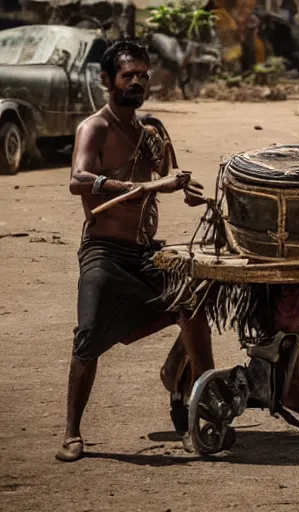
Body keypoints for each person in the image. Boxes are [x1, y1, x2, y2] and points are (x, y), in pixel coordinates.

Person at [57, 39, 215, 462]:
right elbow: (77, 179)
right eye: (128, 75)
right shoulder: (96, 127)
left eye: (144, 75)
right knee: (88, 338)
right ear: (107, 80)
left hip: (147, 253)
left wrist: (185, 188)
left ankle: (196, 408)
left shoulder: (147, 131)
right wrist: (140, 187)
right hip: (104, 252)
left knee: (196, 301)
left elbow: (170, 173)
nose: (138, 82)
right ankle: (72, 432)